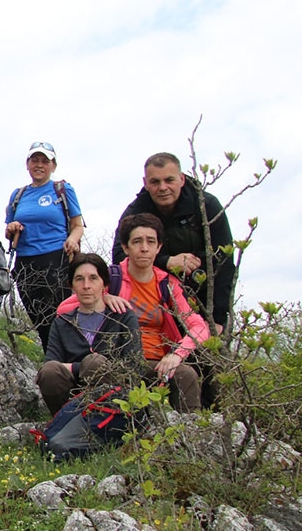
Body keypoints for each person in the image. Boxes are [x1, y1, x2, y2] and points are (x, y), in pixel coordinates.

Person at [83, 213, 210, 412]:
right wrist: (102, 298)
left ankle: (189, 434)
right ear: (125, 247)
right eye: (137, 241)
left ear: (159, 247)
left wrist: (176, 355)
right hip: (117, 360)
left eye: (151, 242)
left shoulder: (167, 284)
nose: (144, 248)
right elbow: (65, 308)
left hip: (158, 363)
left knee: (186, 374)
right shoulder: (108, 278)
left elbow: (200, 327)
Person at [112, 152, 234, 332]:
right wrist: (167, 261)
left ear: (182, 179)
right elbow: (119, 256)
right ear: (145, 183)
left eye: (169, 180)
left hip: (203, 299)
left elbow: (224, 261)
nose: (163, 187)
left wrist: (217, 318)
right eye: (155, 182)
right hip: (157, 305)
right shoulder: (135, 212)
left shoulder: (206, 205)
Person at [35, 253, 143, 414]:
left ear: (104, 284)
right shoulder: (62, 322)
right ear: (71, 285)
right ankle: (63, 421)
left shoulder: (123, 317)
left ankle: (109, 421)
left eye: (93, 278)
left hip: (117, 394)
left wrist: (80, 367)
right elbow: (52, 365)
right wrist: (81, 369)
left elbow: (134, 367)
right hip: (73, 394)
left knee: (94, 362)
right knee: (50, 372)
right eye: (79, 279)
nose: (86, 285)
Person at [4, 141, 85, 352]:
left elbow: (77, 225)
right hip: (26, 264)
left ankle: (68, 364)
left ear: (53, 166)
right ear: (27, 164)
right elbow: (8, 232)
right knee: (39, 321)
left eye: (44, 161)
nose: (39, 165)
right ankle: (53, 364)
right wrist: (12, 227)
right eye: (35, 160)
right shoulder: (18, 195)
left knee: (61, 317)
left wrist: (73, 240)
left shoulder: (62, 190)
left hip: (55, 259)